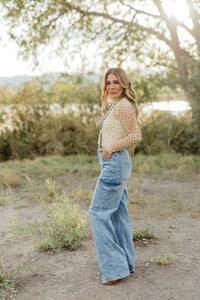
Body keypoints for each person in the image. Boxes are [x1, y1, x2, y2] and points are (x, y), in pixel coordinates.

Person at [89, 67, 142, 285]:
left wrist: (110, 146)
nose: (111, 87)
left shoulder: (124, 107)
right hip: (113, 163)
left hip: (115, 163)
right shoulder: (116, 105)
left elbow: (136, 134)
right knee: (118, 214)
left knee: (98, 213)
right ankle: (125, 265)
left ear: (124, 84)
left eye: (116, 83)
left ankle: (114, 269)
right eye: (108, 83)